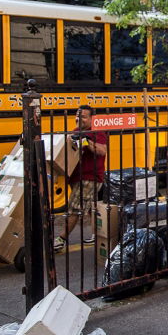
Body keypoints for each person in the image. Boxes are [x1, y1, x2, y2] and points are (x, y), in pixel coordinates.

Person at [53, 104, 108, 252]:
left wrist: (86, 141)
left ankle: (61, 239)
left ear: (91, 118)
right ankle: (99, 234)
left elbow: (102, 150)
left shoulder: (97, 132)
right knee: (90, 208)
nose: (78, 119)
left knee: (74, 208)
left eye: (83, 117)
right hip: (76, 177)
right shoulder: (76, 131)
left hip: (89, 178)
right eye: (77, 116)